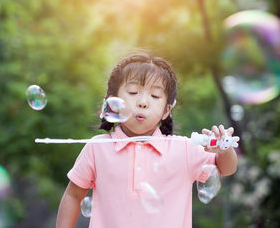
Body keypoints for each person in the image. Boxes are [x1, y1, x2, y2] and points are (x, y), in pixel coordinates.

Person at [56, 53, 238, 228]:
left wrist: (224, 150)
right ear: (113, 102)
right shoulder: (97, 148)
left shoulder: (183, 149)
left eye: (155, 96)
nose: (143, 102)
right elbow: (73, 195)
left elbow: (225, 168)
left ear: (167, 111)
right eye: (133, 92)